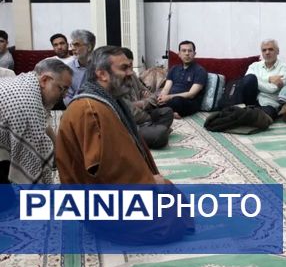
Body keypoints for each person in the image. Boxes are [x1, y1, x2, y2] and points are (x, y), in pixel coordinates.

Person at [55, 46, 192, 244]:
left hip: (116, 192)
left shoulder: (106, 101)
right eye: (124, 68)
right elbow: (106, 172)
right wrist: (148, 183)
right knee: (170, 217)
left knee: (172, 199)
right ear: (102, 74)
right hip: (102, 204)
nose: (130, 73)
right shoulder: (89, 110)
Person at [0, 59, 73, 190]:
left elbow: (43, 123)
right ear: (45, 80)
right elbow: (35, 158)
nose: (64, 95)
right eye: (62, 89)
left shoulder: (27, 83)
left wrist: (58, 146)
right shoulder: (26, 103)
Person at [121, 47, 174, 149]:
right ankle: (153, 130)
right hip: (131, 123)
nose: (129, 70)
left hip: (143, 115)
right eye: (125, 67)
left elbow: (152, 95)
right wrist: (146, 109)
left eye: (131, 65)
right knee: (160, 134)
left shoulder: (132, 76)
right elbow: (129, 111)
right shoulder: (115, 83)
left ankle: (152, 129)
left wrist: (141, 103)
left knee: (167, 112)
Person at [234, 39, 286, 120]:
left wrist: (255, 83)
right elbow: (247, 82)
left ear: (277, 51)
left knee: (263, 117)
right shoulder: (254, 66)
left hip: (269, 104)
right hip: (250, 101)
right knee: (250, 78)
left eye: (270, 49)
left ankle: (245, 115)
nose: (267, 52)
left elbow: (272, 89)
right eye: (264, 50)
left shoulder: (284, 68)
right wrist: (268, 79)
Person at [158, 40, 207, 118]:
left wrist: (169, 97)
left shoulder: (200, 71)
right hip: (170, 99)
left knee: (177, 101)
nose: (187, 53)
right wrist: (162, 97)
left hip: (188, 102)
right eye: (184, 51)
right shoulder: (174, 69)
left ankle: (163, 111)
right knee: (154, 98)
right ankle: (168, 112)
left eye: (190, 51)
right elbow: (166, 88)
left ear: (194, 54)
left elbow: (191, 94)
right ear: (179, 54)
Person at [64, 29, 96, 106]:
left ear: (89, 47)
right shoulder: (68, 68)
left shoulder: (100, 65)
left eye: (77, 45)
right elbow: (67, 96)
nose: (73, 48)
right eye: (72, 45)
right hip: (75, 106)